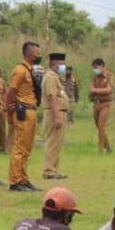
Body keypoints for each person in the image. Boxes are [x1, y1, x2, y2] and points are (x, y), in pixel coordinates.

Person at [4, 41, 41, 192]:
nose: (39, 56)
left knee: (27, 148)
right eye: (37, 53)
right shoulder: (20, 70)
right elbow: (11, 92)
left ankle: (24, 179)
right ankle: (14, 181)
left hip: (31, 110)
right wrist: (9, 111)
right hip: (23, 111)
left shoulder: (29, 70)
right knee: (19, 147)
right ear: (30, 54)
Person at [41, 52, 69, 181]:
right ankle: (49, 170)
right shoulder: (51, 77)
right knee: (52, 142)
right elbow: (51, 97)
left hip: (59, 112)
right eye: (61, 64)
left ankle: (54, 169)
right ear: (54, 64)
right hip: (54, 113)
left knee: (57, 143)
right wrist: (57, 116)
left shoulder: (56, 77)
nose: (64, 67)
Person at [88, 58, 115, 153]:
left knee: (101, 125)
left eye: (96, 67)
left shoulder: (110, 76)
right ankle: (107, 147)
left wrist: (95, 90)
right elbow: (91, 88)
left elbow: (109, 90)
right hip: (96, 104)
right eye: (94, 68)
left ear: (102, 66)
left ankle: (100, 149)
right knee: (99, 127)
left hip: (106, 103)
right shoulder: (95, 77)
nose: (95, 69)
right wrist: (91, 94)